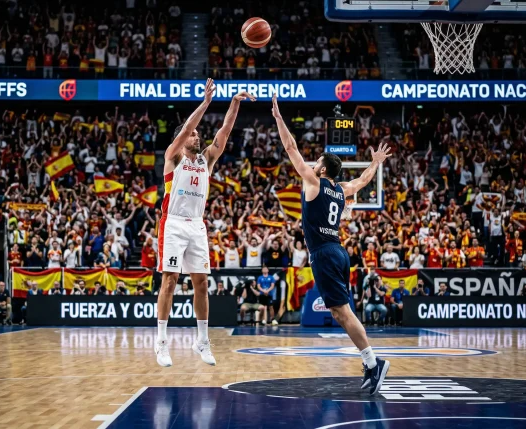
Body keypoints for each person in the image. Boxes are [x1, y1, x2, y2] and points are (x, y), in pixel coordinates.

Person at [272, 93, 390, 395]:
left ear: (322, 170)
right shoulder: (341, 189)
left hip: (324, 252)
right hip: (338, 250)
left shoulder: (313, 183)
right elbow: (363, 181)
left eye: (316, 163)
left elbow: (290, 147)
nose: (312, 165)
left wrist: (278, 118)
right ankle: (371, 362)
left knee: (342, 312)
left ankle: (373, 362)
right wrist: (375, 162)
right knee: (340, 312)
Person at [154, 78, 255, 368]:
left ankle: (202, 340)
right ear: (182, 139)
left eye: (199, 134)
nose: (197, 137)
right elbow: (187, 127)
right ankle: (161, 342)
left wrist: (234, 103)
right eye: (194, 135)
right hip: (173, 223)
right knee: (170, 281)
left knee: (201, 282)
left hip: (197, 224)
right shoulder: (173, 157)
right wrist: (206, 103)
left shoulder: (206, 159)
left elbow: (224, 132)